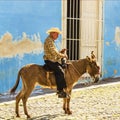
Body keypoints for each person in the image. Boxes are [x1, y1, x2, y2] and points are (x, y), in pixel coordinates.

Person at [43, 27, 68, 98]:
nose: (58, 36)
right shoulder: (49, 41)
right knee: (60, 72)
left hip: (53, 59)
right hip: (50, 60)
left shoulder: (51, 40)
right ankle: (60, 91)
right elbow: (53, 53)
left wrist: (60, 52)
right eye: (57, 34)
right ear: (52, 33)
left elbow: (54, 52)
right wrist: (63, 55)